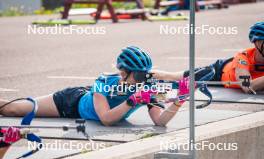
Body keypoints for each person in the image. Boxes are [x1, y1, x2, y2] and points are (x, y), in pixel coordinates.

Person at [0, 46, 190, 127]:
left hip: (85, 104)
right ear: (124, 72)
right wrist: (133, 100)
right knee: (13, 109)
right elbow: (106, 119)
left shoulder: (147, 85)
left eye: (146, 74)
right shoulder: (104, 82)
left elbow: (160, 121)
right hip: (69, 103)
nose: (144, 78)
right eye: (139, 74)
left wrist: (179, 101)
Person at [152, 22, 264, 94]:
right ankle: (142, 74)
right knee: (173, 77)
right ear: (257, 42)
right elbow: (247, 87)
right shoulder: (242, 57)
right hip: (217, 72)